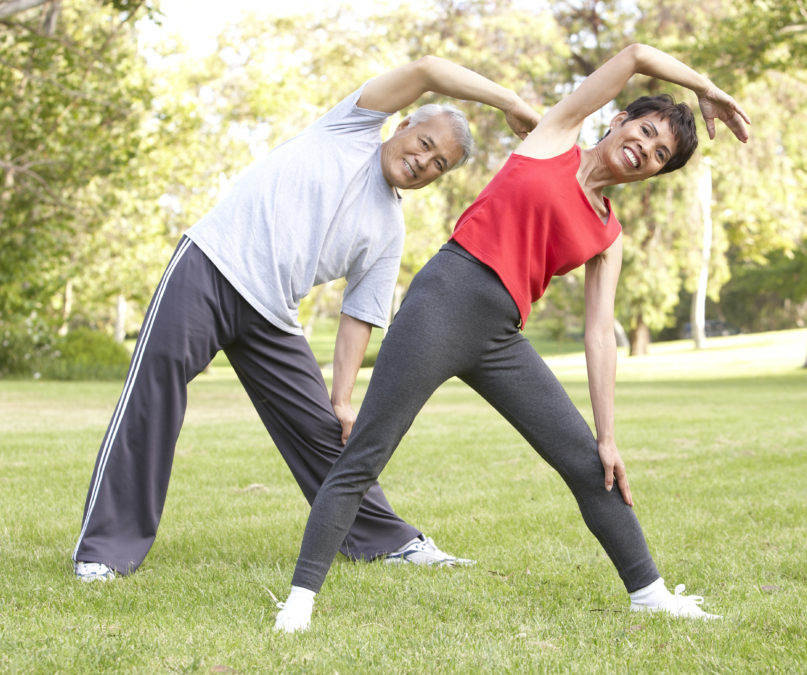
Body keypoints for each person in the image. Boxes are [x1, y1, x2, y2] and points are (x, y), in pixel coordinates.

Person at [274, 43, 751, 631]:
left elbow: (599, 337)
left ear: (655, 171)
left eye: (659, 154)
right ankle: (299, 602)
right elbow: (633, 55)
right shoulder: (555, 135)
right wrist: (706, 88)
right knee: (366, 454)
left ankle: (649, 592)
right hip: (442, 302)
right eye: (646, 131)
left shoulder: (609, 232)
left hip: (500, 335)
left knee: (587, 463)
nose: (644, 150)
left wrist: (608, 437)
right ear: (619, 119)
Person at [71, 56, 540, 582]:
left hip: (272, 315)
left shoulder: (389, 229)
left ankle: (387, 540)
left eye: (439, 166)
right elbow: (428, 69)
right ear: (404, 125)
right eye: (425, 144)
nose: (424, 162)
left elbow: (360, 315)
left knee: (324, 430)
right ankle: (105, 551)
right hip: (210, 266)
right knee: (153, 394)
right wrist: (512, 103)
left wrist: (341, 400)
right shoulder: (352, 126)